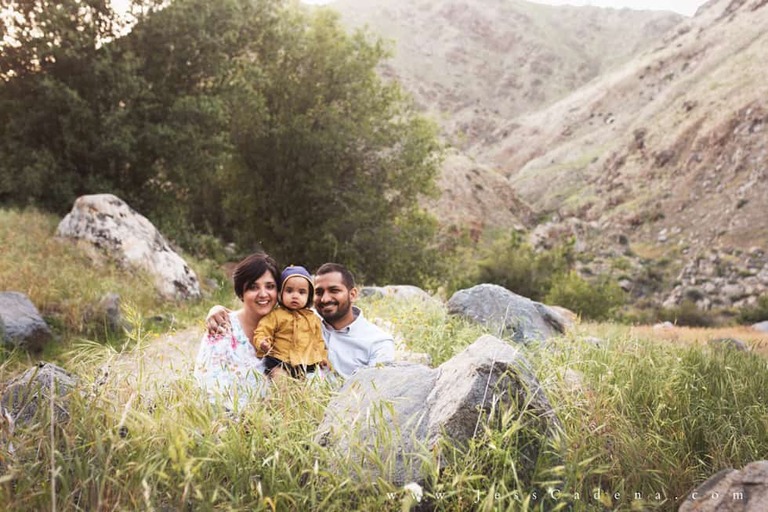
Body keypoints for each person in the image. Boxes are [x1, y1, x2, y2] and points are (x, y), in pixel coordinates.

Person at [206, 262, 395, 379]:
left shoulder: (377, 342)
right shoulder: (312, 318)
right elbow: (262, 320)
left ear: (353, 294)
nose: (325, 299)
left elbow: (378, 392)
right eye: (319, 292)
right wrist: (218, 310)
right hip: (286, 377)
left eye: (334, 290)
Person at [194, 252, 279, 410]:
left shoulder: (285, 329)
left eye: (270, 286)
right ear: (241, 292)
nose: (263, 294)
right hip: (230, 427)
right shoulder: (223, 328)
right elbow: (208, 390)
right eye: (253, 287)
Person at [254, 265, 328, 379]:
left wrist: (322, 357)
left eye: (301, 292)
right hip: (280, 360)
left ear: (309, 296)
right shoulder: (276, 315)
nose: (295, 296)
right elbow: (263, 330)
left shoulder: (313, 318)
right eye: (289, 291)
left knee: (308, 385)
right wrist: (263, 342)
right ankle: (281, 394)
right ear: (280, 293)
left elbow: (318, 341)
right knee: (280, 380)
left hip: (305, 362)